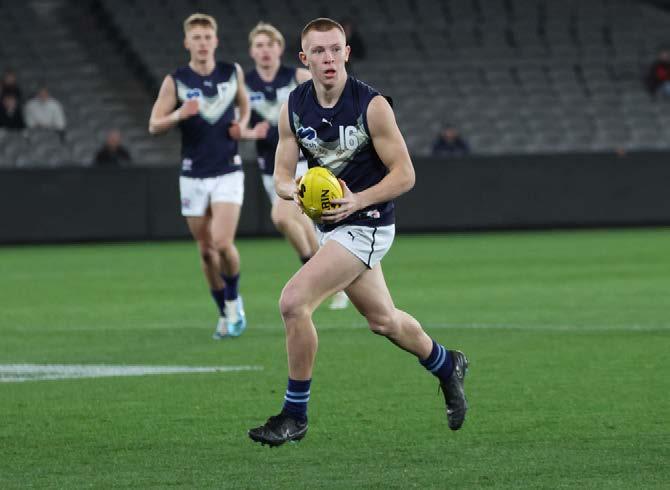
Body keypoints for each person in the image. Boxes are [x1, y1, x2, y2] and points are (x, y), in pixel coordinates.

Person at [248, 18, 468, 447]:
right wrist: (294, 190)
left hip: (368, 222)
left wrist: (358, 200)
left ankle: (294, 415)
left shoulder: (372, 105)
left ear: (347, 53)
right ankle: (447, 364)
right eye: (318, 51)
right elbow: (280, 176)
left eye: (335, 49)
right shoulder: (293, 106)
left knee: (293, 303)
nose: (328, 58)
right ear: (305, 58)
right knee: (383, 321)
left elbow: (405, 174)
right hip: (332, 226)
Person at [148, 13, 252, 339]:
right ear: (187, 42)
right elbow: (154, 125)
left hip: (227, 170)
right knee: (206, 251)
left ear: (215, 41)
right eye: (197, 38)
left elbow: (244, 104)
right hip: (193, 174)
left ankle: (234, 300)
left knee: (222, 243)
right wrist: (180, 113)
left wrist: (241, 125)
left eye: (207, 37)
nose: (203, 43)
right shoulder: (176, 81)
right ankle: (224, 312)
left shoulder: (232, 72)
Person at [245, 22, 349, 310]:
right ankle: (330, 276)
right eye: (259, 45)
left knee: (281, 217)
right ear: (252, 51)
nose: (265, 50)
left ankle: (314, 272)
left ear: (280, 48)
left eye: (270, 44)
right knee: (305, 226)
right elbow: (235, 126)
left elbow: (327, 101)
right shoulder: (245, 84)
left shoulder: (298, 76)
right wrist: (249, 133)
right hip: (271, 169)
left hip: (304, 165)